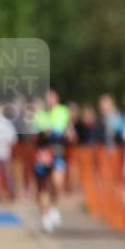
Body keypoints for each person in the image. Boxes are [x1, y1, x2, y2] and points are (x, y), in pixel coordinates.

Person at [33, 89, 71, 233]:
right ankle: (45, 216)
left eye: (52, 97)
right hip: (42, 154)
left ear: (57, 98)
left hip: (57, 153)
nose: (49, 100)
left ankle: (54, 207)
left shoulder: (63, 112)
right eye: (47, 98)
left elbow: (69, 129)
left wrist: (69, 133)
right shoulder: (39, 115)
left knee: (57, 182)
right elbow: (35, 134)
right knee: (43, 187)